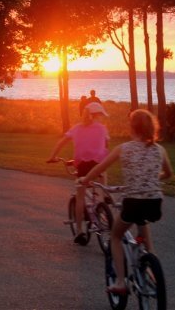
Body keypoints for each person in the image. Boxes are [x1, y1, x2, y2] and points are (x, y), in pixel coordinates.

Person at [79, 109, 173, 295]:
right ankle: (150, 260)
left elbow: (100, 167)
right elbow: (169, 174)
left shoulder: (124, 148)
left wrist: (86, 180)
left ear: (132, 127)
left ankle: (121, 282)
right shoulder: (159, 149)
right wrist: (153, 179)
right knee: (142, 223)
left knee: (115, 236)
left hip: (133, 202)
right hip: (155, 202)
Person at [47, 102, 110, 244]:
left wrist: (52, 157)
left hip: (83, 167)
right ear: (96, 115)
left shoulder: (76, 128)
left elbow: (61, 142)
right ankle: (103, 199)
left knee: (80, 197)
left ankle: (80, 231)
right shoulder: (102, 129)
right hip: (98, 166)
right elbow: (106, 147)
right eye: (101, 115)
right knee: (103, 174)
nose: (102, 118)